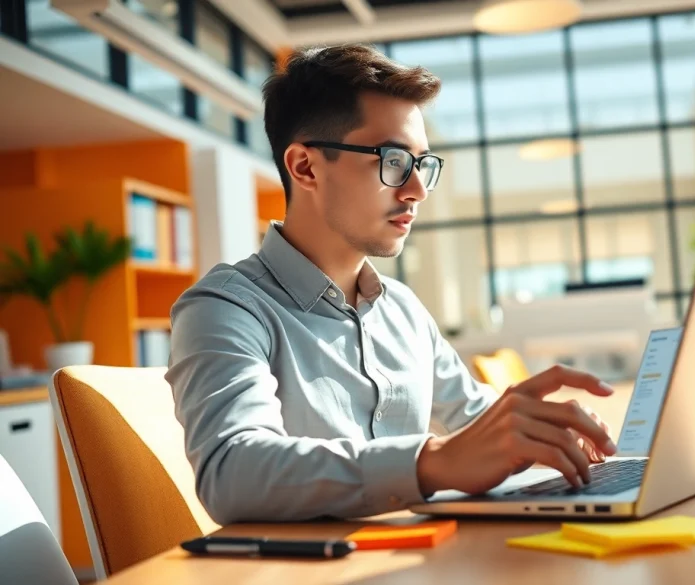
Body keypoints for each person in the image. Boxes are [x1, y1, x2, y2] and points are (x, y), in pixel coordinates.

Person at [166, 44, 618, 524]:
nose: (417, 190)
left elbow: (474, 419)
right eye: (394, 160)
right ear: (305, 167)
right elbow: (232, 472)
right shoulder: (224, 309)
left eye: (422, 164)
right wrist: (431, 462)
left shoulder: (401, 308)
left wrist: (540, 431)